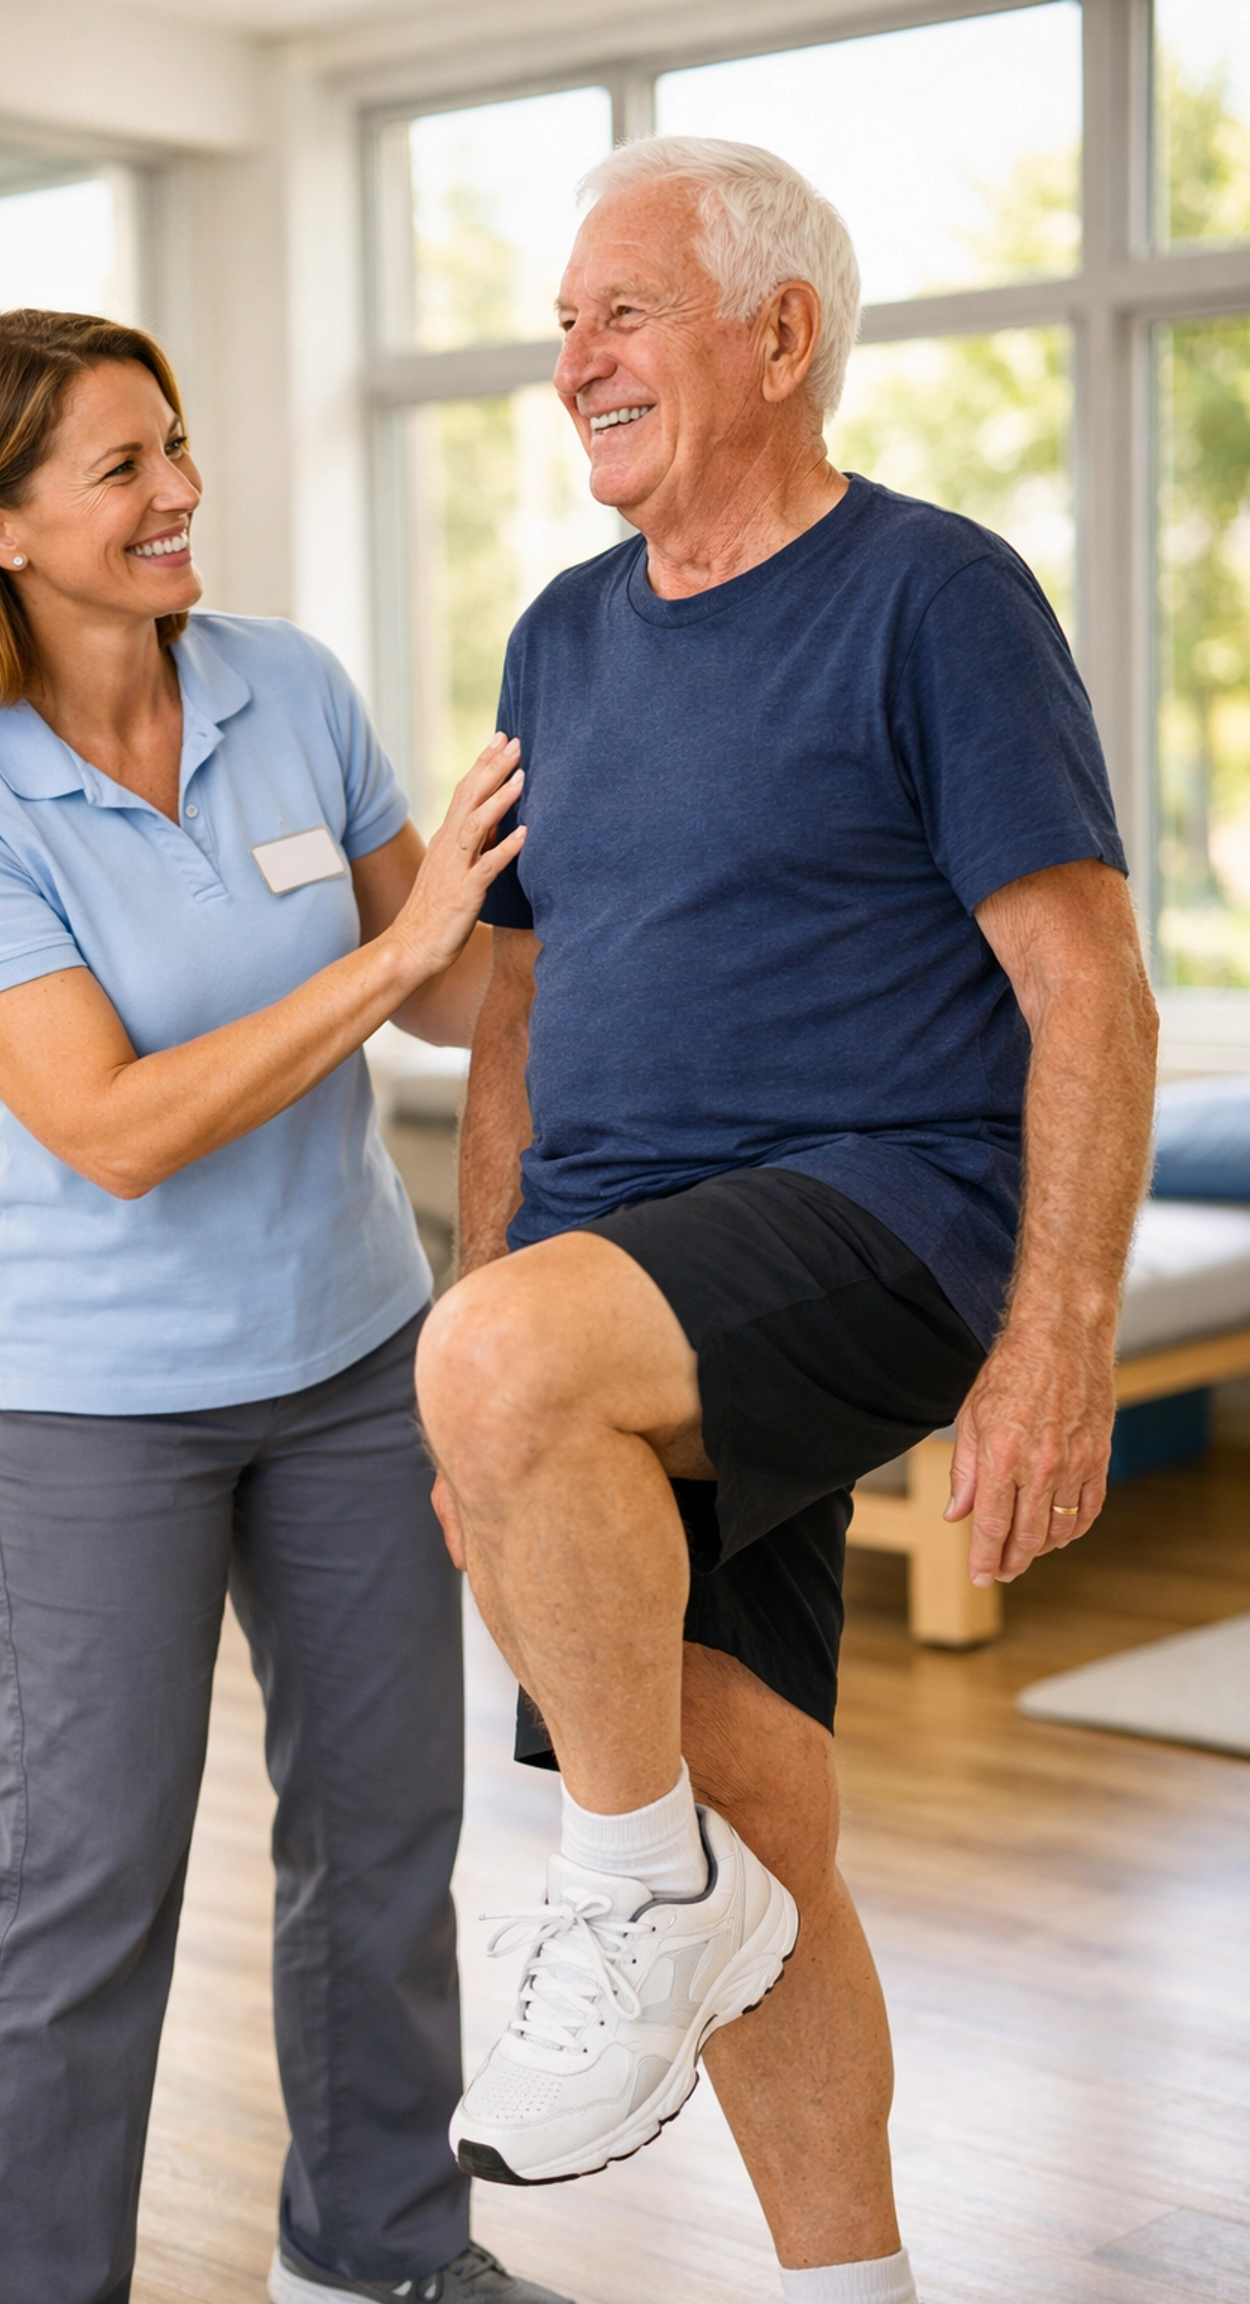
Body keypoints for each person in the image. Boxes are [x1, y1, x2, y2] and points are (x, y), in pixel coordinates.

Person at [416, 139, 1157, 2304]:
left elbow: (1085, 983)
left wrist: (1060, 1336)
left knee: (654, 1840)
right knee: (748, 1816)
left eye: (619, 312)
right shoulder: (561, 636)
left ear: (779, 336)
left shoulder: (934, 597)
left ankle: (624, 1889)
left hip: (883, 1209)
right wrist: (493, 1371)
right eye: (563, 325)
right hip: (624, 1285)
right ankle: (856, 2282)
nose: (576, 362)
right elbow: (525, 1008)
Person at [0, 308, 572, 2304]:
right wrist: (402, 945)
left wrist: (537, 875)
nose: (179, 493)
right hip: (95, 1408)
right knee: (81, 1890)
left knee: (382, 1846)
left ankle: (379, 2253)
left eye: (172, 446)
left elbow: (441, 983)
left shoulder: (283, 685)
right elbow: (107, 1124)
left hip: (348, 1356)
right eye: (121, 466)